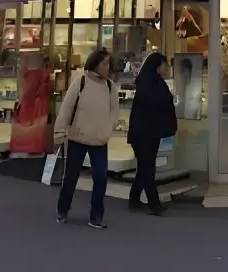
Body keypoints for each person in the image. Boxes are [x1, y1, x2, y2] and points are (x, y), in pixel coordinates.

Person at [54, 47, 119, 229]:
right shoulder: (80, 82)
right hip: (78, 138)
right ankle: (62, 210)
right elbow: (67, 108)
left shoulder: (110, 87)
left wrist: (108, 128)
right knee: (71, 177)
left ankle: (96, 216)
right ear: (95, 63)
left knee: (101, 178)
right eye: (105, 64)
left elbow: (114, 112)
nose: (107, 68)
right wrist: (59, 132)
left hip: (99, 140)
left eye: (109, 64)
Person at [125, 52, 176, 216]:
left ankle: (134, 198)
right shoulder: (148, 84)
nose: (166, 68)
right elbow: (158, 103)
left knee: (145, 167)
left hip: (149, 132)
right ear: (158, 65)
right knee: (148, 168)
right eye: (164, 64)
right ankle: (154, 204)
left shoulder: (152, 82)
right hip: (143, 133)